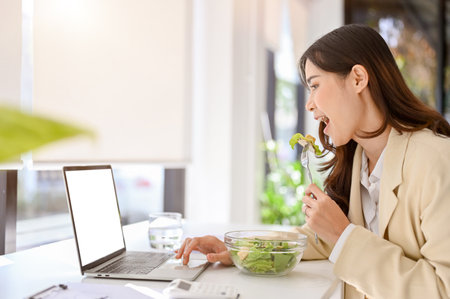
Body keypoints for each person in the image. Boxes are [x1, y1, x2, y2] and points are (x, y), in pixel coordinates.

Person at [175, 24, 450, 299]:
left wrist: (343, 234)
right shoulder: (357, 160)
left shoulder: (437, 160)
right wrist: (239, 249)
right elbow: (319, 240)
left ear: (357, 79)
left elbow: (442, 289)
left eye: (315, 85)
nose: (309, 104)